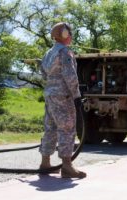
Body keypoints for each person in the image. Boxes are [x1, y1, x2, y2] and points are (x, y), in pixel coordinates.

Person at [39, 22, 86, 178]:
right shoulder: (65, 52)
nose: (71, 36)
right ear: (65, 35)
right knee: (67, 128)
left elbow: (44, 74)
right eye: (69, 33)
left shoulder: (48, 53)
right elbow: (70, 76)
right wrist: (77, 95)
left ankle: (45, 163)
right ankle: (67, 166)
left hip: (50, 95)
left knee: (50, 129)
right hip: (63, 97)